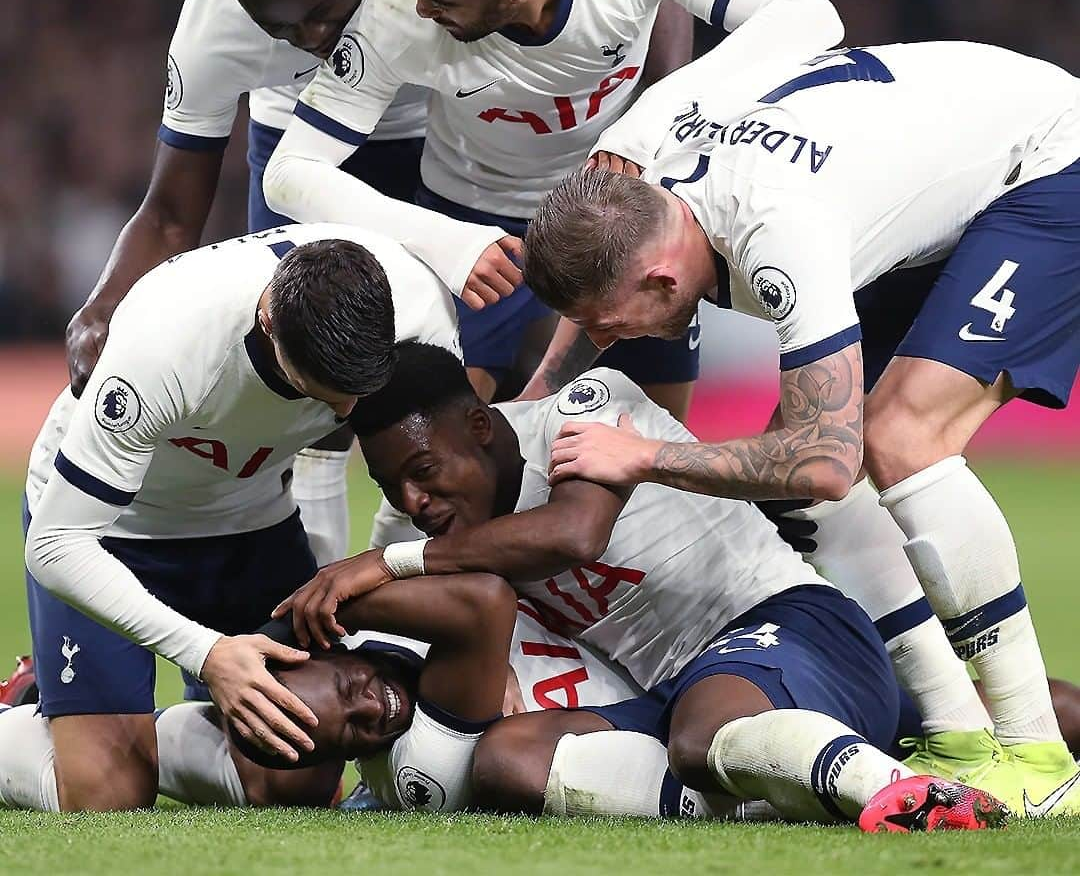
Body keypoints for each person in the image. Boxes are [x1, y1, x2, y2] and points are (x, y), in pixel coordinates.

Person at [520, 39, 1080, 816]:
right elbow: (603, 299)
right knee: (812, 495)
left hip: (1048, 159)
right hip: (926, 171)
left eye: (614, 325)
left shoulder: (775, 237)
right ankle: (957, 732)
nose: (610, 340)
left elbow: (822, 459)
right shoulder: (646, 194)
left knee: (897, 438)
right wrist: (533, 402)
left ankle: (1036, 753)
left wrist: (645, 456)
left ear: (658, 277)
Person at [262, 344, 1005, 831]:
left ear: (481, 428)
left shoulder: (581, 408)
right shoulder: (443, 540)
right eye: (396, 486)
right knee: (510, 763)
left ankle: (903, 793)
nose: (416, 502)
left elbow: (574, 532)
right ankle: (807, 779)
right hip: (679, 690)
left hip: (784, 624)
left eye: (425, 472)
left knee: (703, 736)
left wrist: (389, 563)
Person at [241, 0, 844, 418]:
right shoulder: (399, 4)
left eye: (442, 1)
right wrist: (445, 242)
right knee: (444, 437)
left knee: (671, 422)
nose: (419, 7)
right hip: (474, 213)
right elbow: (289, 172)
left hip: (611, 207)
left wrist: (643, 127)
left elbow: (808, 15)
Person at [64, 0, 523, 566]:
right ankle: (328, 605)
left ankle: (413, 580)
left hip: (447, 123)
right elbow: (170, 211)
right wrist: (102, 304)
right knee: (312, 382)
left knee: (452, 384)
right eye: (282, 31)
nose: (312, 40)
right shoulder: (213, 25)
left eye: (318, 12)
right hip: (303, 141)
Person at [15, 224, 459, 812]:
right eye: (323, 392)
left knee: (297, 777)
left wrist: (378, 588)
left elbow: (425, 488)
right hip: (113, 529)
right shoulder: (168, 342)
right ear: (270, 321)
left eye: (357, 391)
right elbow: (55, 544)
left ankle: (135, 736)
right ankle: (24, 715)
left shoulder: (418, 314)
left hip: (252, 523)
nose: (346, 412)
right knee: (107, 798)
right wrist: (207, 653)